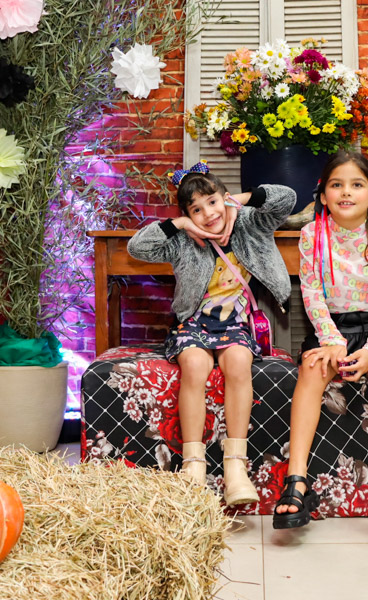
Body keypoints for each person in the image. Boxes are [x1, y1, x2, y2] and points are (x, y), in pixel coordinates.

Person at [272, 151, 368, 549]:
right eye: (337, 185)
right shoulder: (311, 236)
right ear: (323, 195)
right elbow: (311, 294)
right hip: (332, 328)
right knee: (311, 369)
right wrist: (332, 342)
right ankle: (297, 479)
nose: (346, 192)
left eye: (357, 184)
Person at [127, 161, 295, 505]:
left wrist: (237, 201)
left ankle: (236, 467)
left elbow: (286, 198)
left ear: (223, 197)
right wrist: (178, 225)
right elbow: (137, 248)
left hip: (236, 323)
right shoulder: (182, 240)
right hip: (193, 323)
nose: (208, 214)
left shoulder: (251, 223)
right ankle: (193, 465)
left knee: (238, 362)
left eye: (213, 202)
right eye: (196, 210)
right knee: (194, 365)